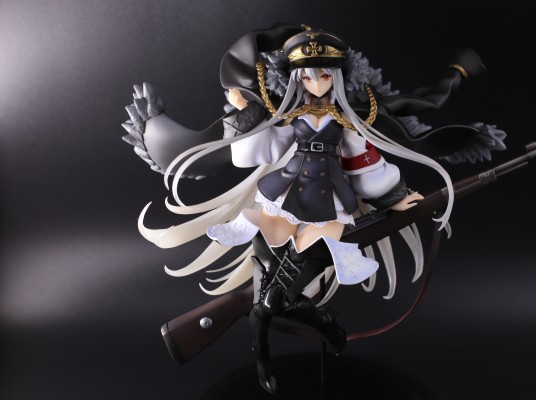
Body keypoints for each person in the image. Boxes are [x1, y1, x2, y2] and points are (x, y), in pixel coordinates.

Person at [122, 22, 507, 394]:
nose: (316, 84)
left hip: (327, 208)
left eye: (324, 76)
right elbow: (260, 151)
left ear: (336, 76)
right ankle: (298, 341)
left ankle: (307, 335)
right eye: (307, 77)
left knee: (270, 304)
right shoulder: (290, 116)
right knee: (263, 302)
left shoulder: (348, 120)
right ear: (296, 79)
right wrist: (246, 115)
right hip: (280, 201)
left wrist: (394, 197)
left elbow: (364, 166)